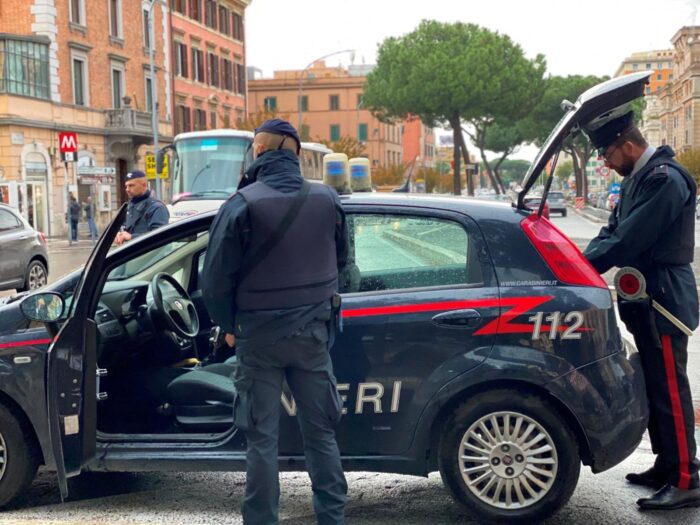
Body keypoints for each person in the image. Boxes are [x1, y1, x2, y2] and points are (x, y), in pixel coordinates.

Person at [202, 118, 349, 524]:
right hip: (313, 336)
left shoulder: (241, 204)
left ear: (260, 152)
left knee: (261, 441)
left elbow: (213, 282)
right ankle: (332, 519)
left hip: (258, 340)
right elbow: (343, 266)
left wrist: (229, 326)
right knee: (321, 435)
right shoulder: (328, 199)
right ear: (297, 154)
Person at [582, 106, 700, 510]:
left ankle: (687, 478)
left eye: (607, 155)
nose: (605, 162)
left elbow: (627, 241)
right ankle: (667, 463)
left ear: (628, 145)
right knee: (655, 386)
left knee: (671, 389)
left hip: (664, 298)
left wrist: (577, 268)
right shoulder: (640, 179)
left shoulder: (664, 179)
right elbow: (610, 231)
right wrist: (582, 259)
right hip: (647, 299)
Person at [115, 170, 169, 246]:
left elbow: (161, 236)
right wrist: (119, 234)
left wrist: (131, 237)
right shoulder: (129, 206)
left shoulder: (157, 207)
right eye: (126, 186)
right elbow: (123, 226)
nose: (127, 189)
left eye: (131, 185)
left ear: (144, 185)